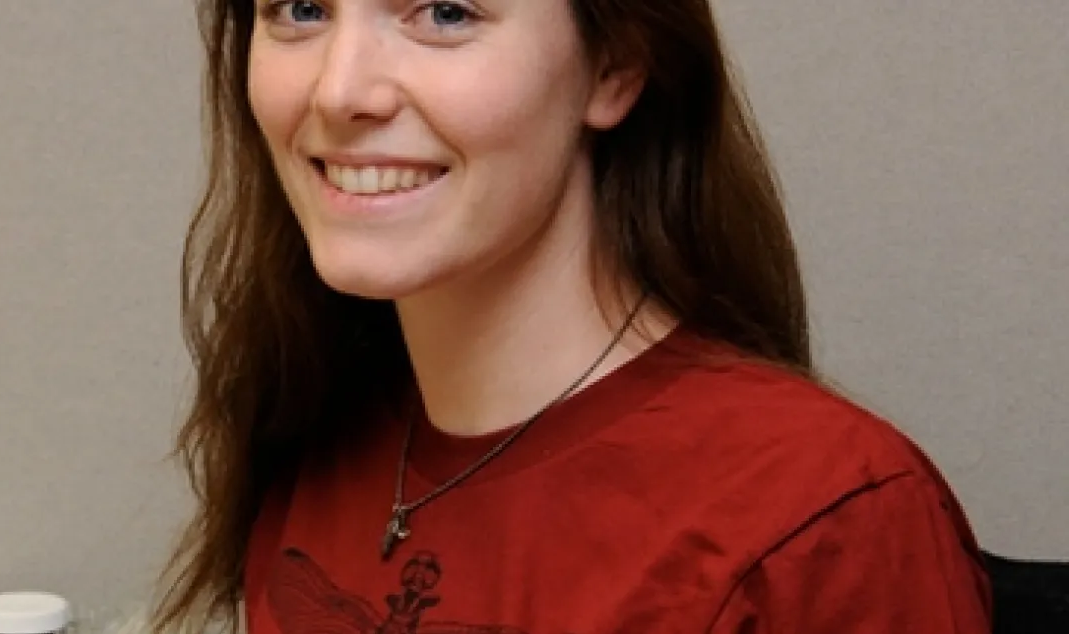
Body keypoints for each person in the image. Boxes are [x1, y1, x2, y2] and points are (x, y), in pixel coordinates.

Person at [150, 0, 994, 632]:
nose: (340, 92)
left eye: (445, 12)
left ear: (613, 69)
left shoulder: (828, 518)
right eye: (299, 9)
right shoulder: (317, 440)